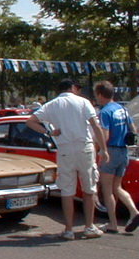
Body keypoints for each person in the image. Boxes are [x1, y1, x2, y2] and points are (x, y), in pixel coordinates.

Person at [25, 79, 109, 240]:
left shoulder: (52, 104)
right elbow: (95, 126)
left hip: (64, 149)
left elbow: (30, 121)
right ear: (72, 88)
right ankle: (89, 226)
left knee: (67, 190)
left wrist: (48, 133)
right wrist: (103, 149)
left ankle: (69, 229)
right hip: (84, 147)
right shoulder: (83, 102)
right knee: (89, 189)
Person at [93, 81, 139, 233]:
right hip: (123, 152)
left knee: (107, 189)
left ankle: (112, 223)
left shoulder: (105, 112)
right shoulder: (122, 109)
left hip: (110, 151)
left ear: (100, 94)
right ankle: (134, 211)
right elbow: (132, 129)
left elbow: (104, 135)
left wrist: (98, 148)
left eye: (96, 95)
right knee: (117, 187)